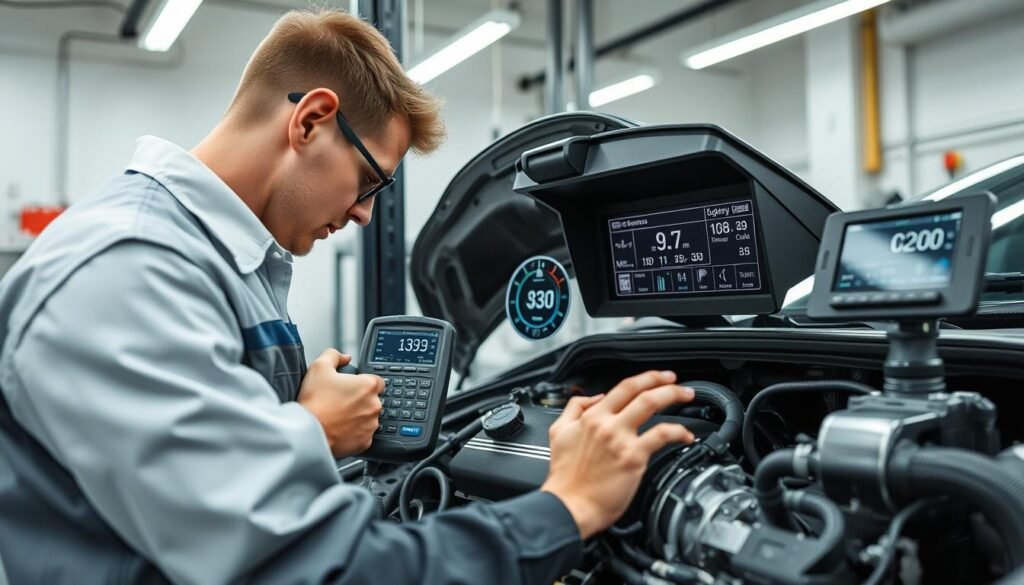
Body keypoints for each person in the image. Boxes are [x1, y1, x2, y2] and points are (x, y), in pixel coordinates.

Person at [0, 9, 695, 584]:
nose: (364, 215)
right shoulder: (128, 272)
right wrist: (566, 507)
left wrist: (303, 427)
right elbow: (315, 568)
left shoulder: (217, 264)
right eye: (371, 183)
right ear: (310, 122)